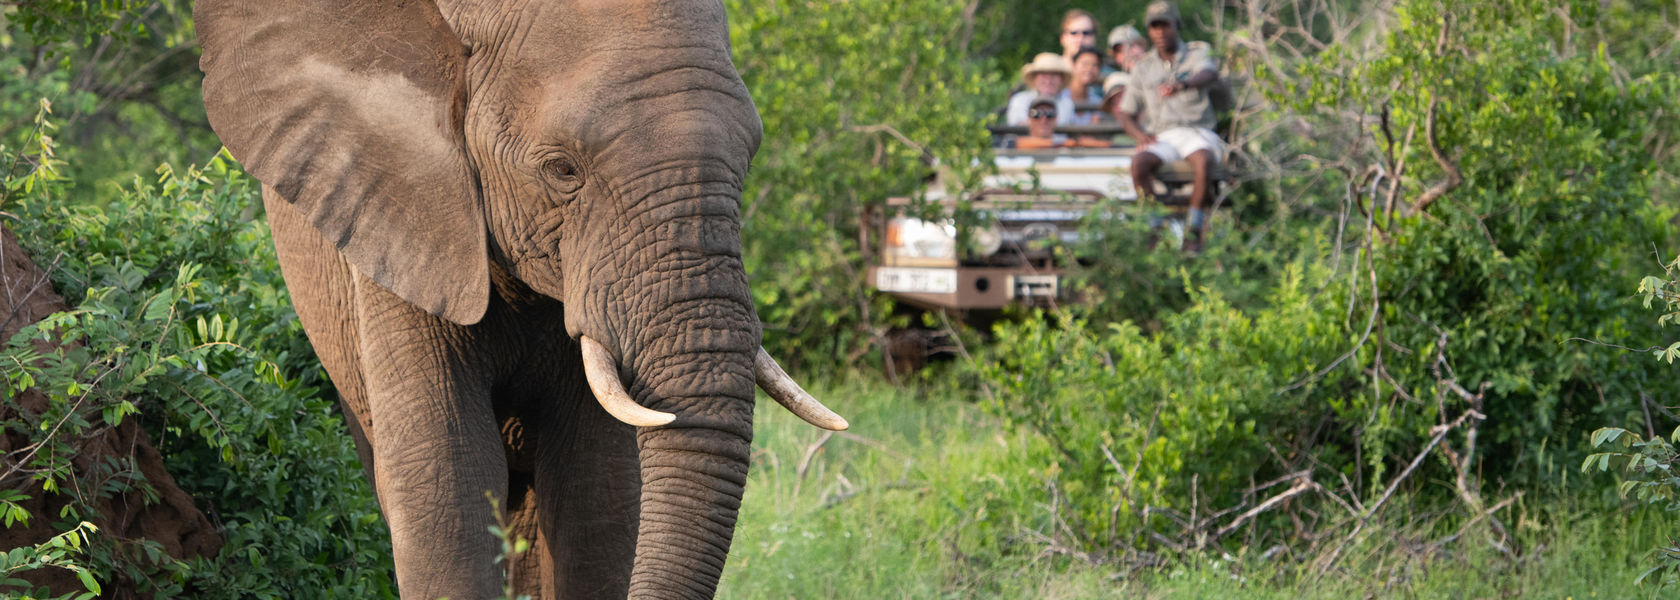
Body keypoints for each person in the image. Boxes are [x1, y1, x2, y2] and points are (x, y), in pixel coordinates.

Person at [1116, 1, 1223, 252]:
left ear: (1177, 26)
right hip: (1163, 134)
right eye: (1154, 27)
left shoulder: (1197, 53)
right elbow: (1125, 112)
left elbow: (1209, 74)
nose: (1160, 32)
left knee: (1203, 159)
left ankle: (1194, 231)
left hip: (1198, 130)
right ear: (1149, 31)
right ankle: (1156, 228)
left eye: (1165, 25)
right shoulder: (1143, 67)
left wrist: (1184, 85)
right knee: (1139, 163)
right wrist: (1140, 135)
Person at [1014, 96, 1111, 150]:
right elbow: (1015, 143)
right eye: (1036, 114)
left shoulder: (1065, 145)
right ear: (1028, 119)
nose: (1043, 119)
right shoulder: (1013, 144)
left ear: (1056, 119)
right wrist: (1068, 143)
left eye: (1049, 114)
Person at [1006, 53, 1076, 126]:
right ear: (1035, 78)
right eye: (1044, 75)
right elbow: (1018, 127)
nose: (1048, 80)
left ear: (1061, 79)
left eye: (1054, 75)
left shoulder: (1067, 104)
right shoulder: (1019, 100)